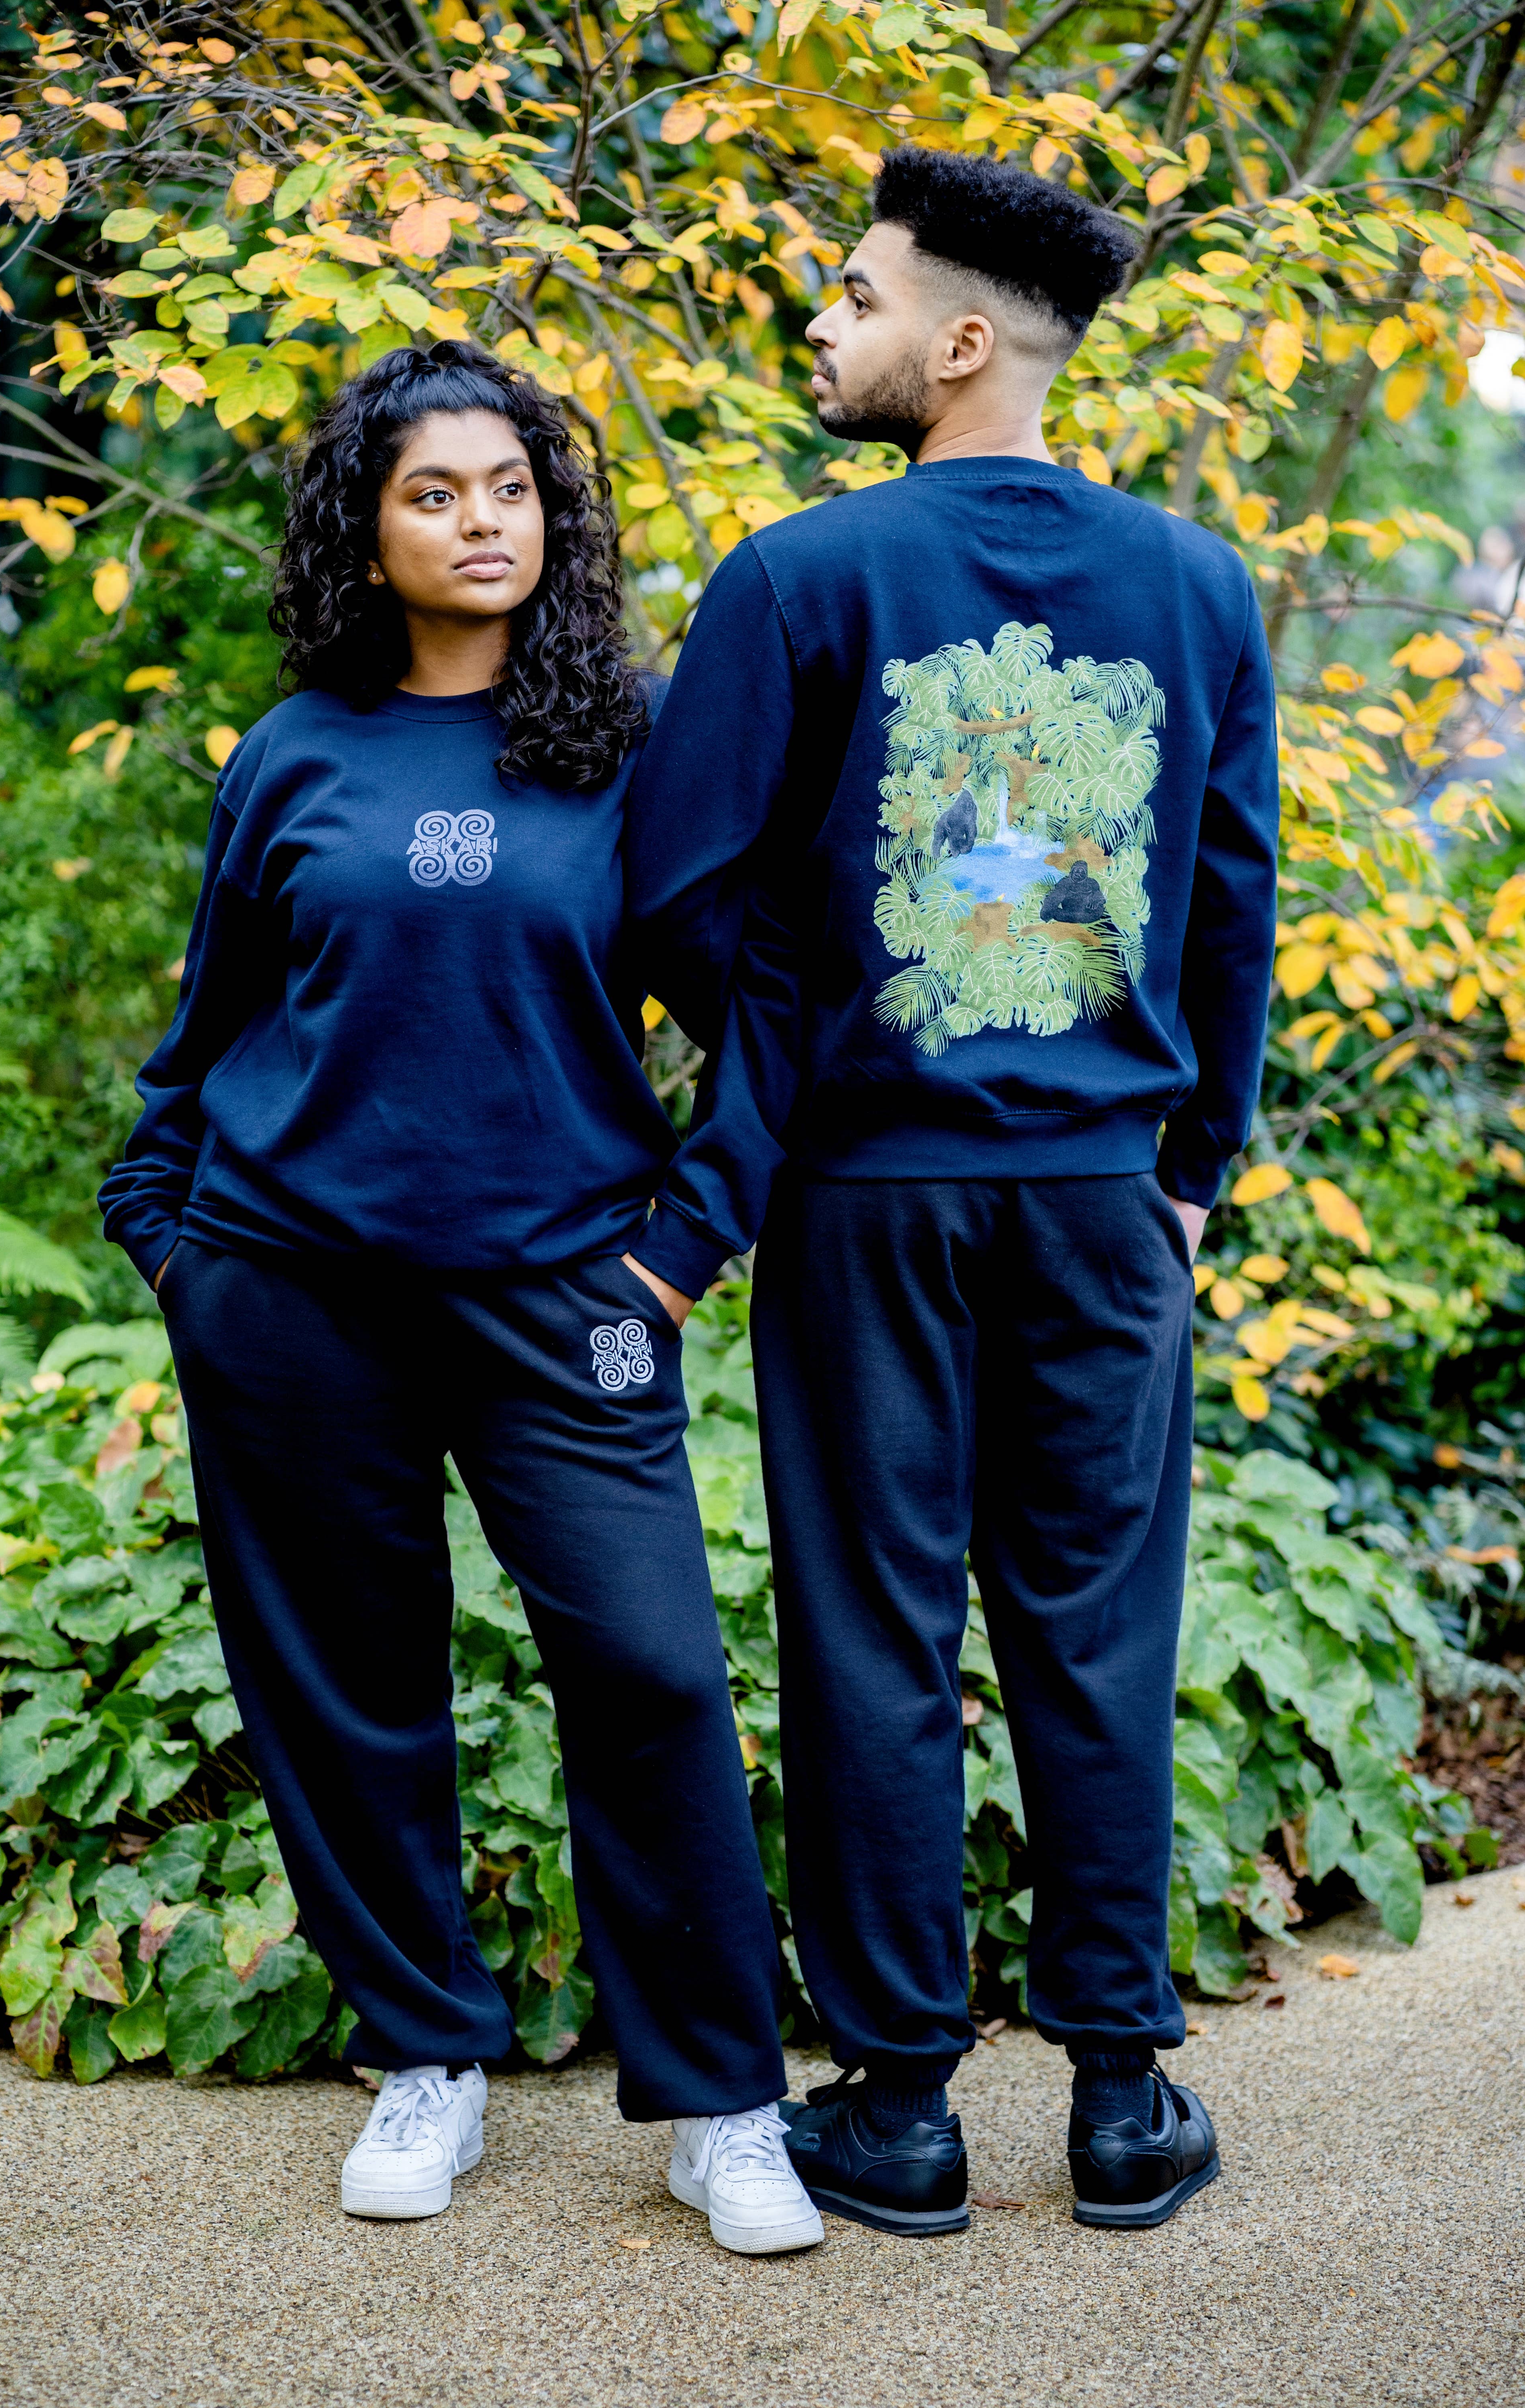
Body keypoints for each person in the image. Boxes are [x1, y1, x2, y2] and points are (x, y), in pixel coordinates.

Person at [99, 342, 822, 2258]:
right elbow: (213, 1025)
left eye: (509, 487)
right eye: (434, 492)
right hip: (290, 1288)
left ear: (550, 516)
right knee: (348, 1685)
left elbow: (759, 1019)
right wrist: (171, 1239)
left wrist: (681, 1248)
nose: (481, 520)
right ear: (368, 533)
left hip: (568, 1296)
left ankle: (722, 2103)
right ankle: (427, 2052)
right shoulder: (293, 753)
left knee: (652, 1673)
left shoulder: (637, 744)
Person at [623, 151, 1280, 2234]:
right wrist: (1193, 1168)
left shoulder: (794, 580)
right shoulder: (1197, 585)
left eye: (857, 296)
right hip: (1102, 1202)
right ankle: (1121, 2103)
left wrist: (804, 1055)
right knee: (1097, 1632)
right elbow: (1238, 903)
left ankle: (898, 2111)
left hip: (867, 1195)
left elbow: (677, 889)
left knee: (871, 1627)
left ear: (965, 340)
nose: (823, 325)